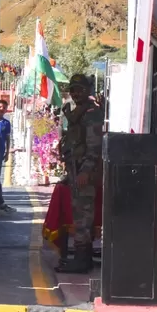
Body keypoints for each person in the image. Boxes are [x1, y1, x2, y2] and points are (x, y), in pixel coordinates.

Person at [57, 74, 103, 273]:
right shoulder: (78, 113)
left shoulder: (91, 113)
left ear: (88, 91)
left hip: (85, 172)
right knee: (80, 215)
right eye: (73, 90)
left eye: (80, 90)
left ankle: (82, 260)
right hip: (76, 169)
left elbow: (94, 146)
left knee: (83, 217)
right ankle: (82, 258)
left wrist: (85, 170)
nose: (76, 94)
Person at [0, 101, 14, 213]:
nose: (1, 109)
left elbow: (8, 139)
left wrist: (7, 152)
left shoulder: (6, 123)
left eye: (4, 107)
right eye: (0, 106)